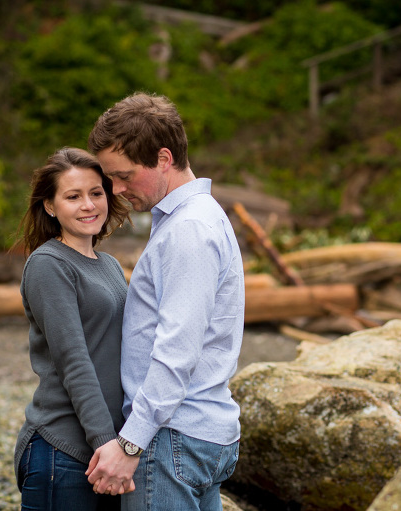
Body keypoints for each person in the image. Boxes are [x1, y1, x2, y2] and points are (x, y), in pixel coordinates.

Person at [85, 92, 244, 511]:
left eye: (124, 176)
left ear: (164, 158)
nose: (116, 190)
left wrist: (130, 442)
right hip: (195, 435)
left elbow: (178, 350)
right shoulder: (198, 218)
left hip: (172, 440)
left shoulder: (188, 230)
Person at [13, 147, 131, 511]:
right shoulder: (48, 264)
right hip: (62, 451)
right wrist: (104, 440)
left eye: (96, 193)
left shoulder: (109, 265)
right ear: (50, 206)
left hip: (110, 450)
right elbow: (73, 360)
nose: (88, 205)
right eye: (73, 196)